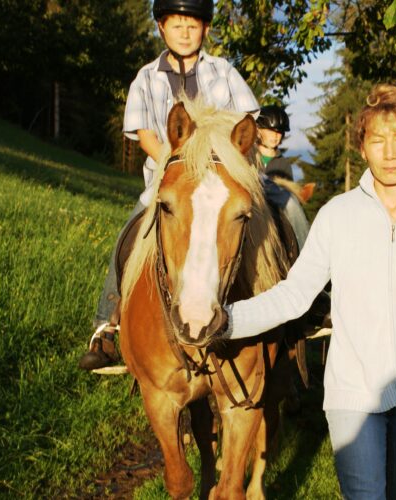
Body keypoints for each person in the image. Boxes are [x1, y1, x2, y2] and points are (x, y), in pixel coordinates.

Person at [218, 84, 396, 499]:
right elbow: (294, 294)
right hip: (353, 396)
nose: (390, 153)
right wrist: (227, 319)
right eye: (378, 140)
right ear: (362, 148)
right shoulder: (337, 215)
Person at [78, 0, 259, 371]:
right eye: (176, 25)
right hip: (169, 176)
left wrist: (214, 162)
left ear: (206, 29)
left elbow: (246, 120)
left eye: (192, 25)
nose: (185, 32)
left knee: (283, 209)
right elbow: (145, 133)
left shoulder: (224, 72)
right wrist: (177, 165)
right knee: (130, 234)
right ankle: (106, 326)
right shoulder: (146, 77)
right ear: (162, 28)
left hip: (220, 178)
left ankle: (311, 307)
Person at [253, 105, 310, 250]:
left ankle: (305, 250)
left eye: (279, 132)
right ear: (258, 129)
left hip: (273, 209)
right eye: (271, 130)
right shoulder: (249, 157)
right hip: (252, 201)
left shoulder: (283, 164)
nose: (275, 135)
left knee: (291, 204)